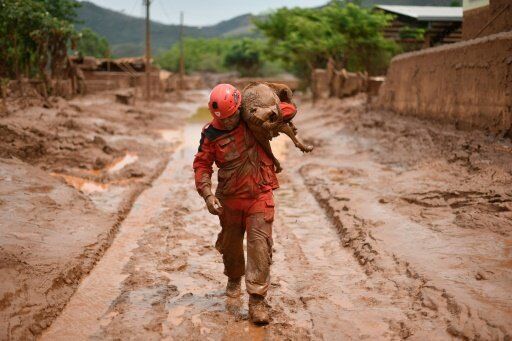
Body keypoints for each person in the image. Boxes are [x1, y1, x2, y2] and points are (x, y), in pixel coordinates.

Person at [193, 84, 279, 324]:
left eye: (232, 117)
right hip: (229, 200)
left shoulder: (253, 119)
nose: (229, 122)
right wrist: (208, 195)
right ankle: (233, 277)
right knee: (231, 246)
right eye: (224, 119)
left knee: (259, 245)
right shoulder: (210, 133)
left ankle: (257, 300)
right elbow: (201, 164)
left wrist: (269, 104)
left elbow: (286, 110)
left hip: (260, 195)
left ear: (239, 107)